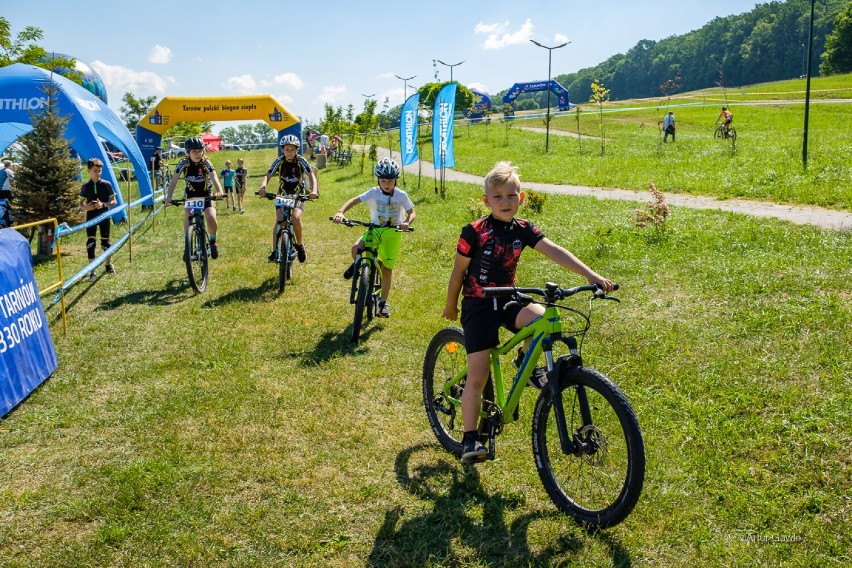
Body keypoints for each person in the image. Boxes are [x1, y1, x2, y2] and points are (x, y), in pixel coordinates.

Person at [441, 161, 613, 465]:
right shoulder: (474, 231)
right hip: (479, 305)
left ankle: (527, 363)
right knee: (478, 376)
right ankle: (470, 438)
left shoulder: (523, 229)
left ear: (521, 198)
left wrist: (591, 275)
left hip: (507, 298)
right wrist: (451, 304)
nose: (505, 202)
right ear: (486, 201)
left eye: (511, 196)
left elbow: (555, 251)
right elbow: (458, 273)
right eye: (498, 197)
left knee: (542, 317)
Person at [332, 157, 415, 318]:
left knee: (387, 269)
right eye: (383, 180)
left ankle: (383, 303)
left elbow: (412, 212)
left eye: (390, 181)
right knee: (356, 248)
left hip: (393, 234)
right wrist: (341, 212)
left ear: (395, 180)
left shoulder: (401, 195)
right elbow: (354, 200)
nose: (387, 184)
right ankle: (358, 264)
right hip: (374, 230)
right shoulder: (373, 192)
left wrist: (406, 222)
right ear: (378, 180)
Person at [258, 135, 319, 263]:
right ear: (282, 150)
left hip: (298, 194)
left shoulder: (301, 161)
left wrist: (313, 190)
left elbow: (311, 175)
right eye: (287, 149)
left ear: (297, 150)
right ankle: (275, 251)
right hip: (283, 194)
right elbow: (267, 175)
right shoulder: (279, 161)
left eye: (292, 150)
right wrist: (263, 187)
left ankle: (300, 245)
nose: (289, 152)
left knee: (295, 219)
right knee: (279, 220)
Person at [164, 137, 225, 259]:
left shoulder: (206, 163)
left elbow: (214, 177)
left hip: (206, 193)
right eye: (194, 152)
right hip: (191, 194)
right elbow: (174, 181)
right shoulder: (183, 163)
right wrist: (168, 197)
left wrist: (219, 191)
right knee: (188, 215)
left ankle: (212, 242)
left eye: (199, 151)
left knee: (211, 217)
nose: (197, 154)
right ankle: (188, 245)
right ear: (188, 153)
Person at [78, 158, 118, 281]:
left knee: (105, 242)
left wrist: (104, 205)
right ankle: (92, 270)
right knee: (91, 243)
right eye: (95, 171)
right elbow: (80, 203)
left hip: (104, 216)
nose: (98, 173)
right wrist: (86, 207)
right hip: (91, 217)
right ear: (88, 171)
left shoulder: (106, 184)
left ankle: (108, 264)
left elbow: (114, 201)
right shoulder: (86, 186)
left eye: (100, 171)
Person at [0, 160, 15, 228]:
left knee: (2, 202)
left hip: (1, 190)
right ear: (9, 165)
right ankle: (10, 216)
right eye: (12, 165)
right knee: (12, 201)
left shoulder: (1, 170)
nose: (12, 167)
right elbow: (13, 182)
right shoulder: (9, 171)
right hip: (5, 190)